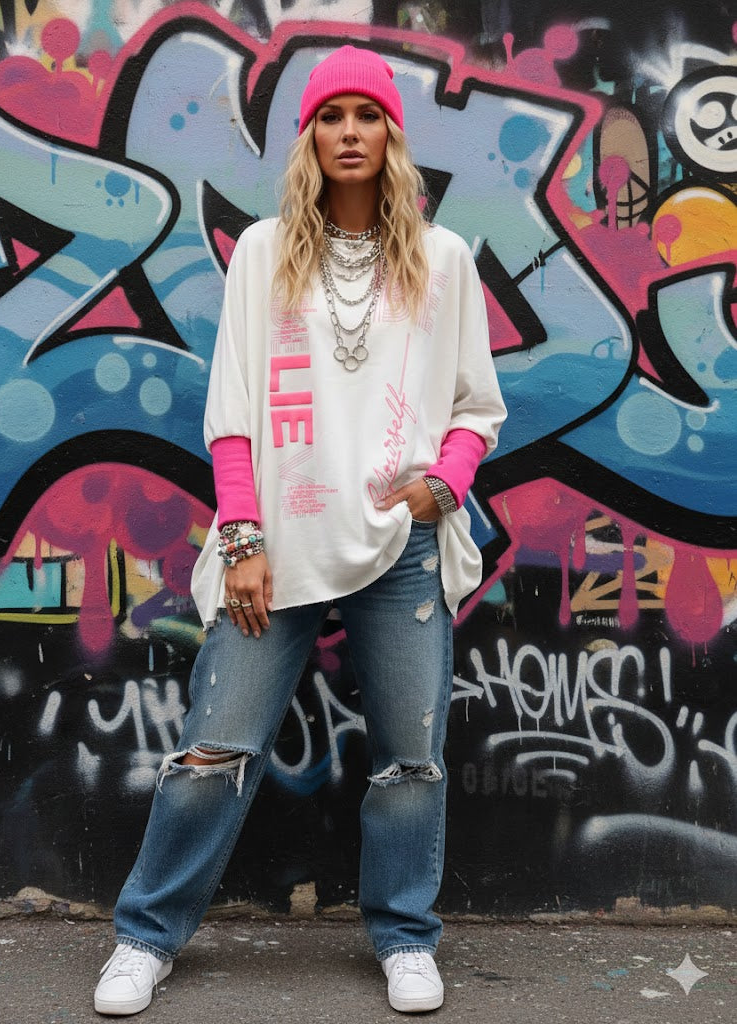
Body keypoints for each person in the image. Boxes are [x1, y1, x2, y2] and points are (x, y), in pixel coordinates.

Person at [93, 44, 506, 1017]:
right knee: (211, 755)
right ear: (308, 136)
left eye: (367, 116)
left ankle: (405, 938)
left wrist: (441, 487)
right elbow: (232, 415)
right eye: (330, 117)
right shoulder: (264, 252)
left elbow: (475, 407)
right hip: (273, 548)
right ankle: (145, 937)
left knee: (410, 762)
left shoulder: (443, 261)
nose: (349, 133)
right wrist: (241, 539)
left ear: (391, 135)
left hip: (400, 550)